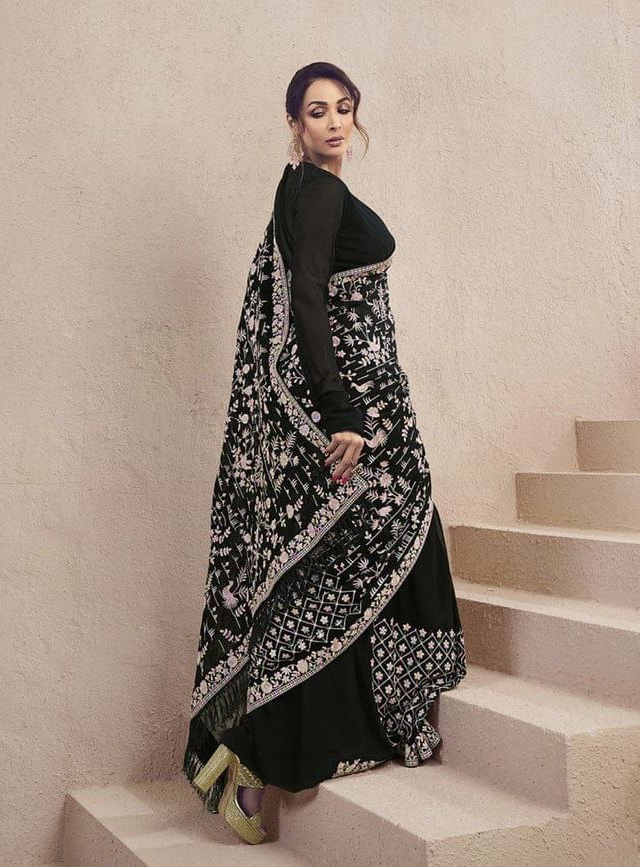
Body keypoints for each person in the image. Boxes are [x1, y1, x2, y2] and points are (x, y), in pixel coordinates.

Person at [182, 61, 467, 845]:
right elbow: (307, 296)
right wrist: (342, 412)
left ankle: (257, 756)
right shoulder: (317, 193)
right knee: (370, 551)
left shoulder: (301, 190)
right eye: (317, 111)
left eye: (344, 108)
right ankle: (264, 756)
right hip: (354, 408)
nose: (335, 122)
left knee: (331, 568)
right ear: (294, 123)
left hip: (366, 399)